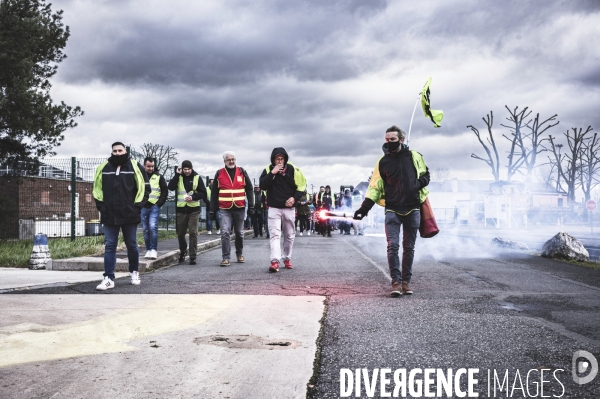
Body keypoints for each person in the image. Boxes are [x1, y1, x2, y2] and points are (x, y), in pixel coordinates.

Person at [354, 125, 430, 297]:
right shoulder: (382, 162)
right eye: (386, 140)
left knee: (409, 248)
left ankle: (406, 282)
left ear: (401, 140)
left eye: (392, 140)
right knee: (393, 246)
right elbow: (374, 188)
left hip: (413, 208)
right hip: (392, 209)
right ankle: (395, 282)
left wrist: (416, 185)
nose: (388, 143)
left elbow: (426, 175)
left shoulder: (415, 156)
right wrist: (363, 209)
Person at [93, 142, 150, 290]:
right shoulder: (103, 167)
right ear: (112, 152)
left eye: (120, 150)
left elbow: (145, 188)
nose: (117, 153)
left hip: (129, 213)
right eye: (115, 150)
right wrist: (102, 207)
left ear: (125, 151)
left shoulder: (135, 166)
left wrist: (136, 207)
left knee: (131, 245)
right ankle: (108, 278)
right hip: (109, 214)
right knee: (110, 245)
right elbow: (97, 189)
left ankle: (134, 272)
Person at [259, 147, 306, 272]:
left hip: (289, 208)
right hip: (274, 207)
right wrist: (272, 173)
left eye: (282, 158)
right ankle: (275, 261)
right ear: (273, 160)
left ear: (285, 159)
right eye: (277, 159)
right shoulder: (268, 170)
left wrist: (294, 199)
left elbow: (302, 186)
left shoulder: (293, 169)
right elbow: (262, 185)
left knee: (289, 235)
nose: (280, 161)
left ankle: (287, 258)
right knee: (275, 234)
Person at [210, 151, 253, 267]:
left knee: (239, 233)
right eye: (229, 159)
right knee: (225, 232)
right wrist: (212, 210)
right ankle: (226, 257)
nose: (231, 161)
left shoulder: (242, 172)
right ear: (224, 161)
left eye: (233, 159)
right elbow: (214, 193)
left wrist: (251, 206)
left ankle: (239, 254)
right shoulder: (219, 173)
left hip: (239, 207)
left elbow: (249, 188)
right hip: (225, 208)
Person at [167, 160, 207, 265]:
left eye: (189, 169)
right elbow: (170, 187)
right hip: (181, 209)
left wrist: (193, 197)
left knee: (193, 232)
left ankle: (193, 256)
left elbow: (203, 193)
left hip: (194, 209)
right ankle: (183, 251)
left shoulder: (197, 177)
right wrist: (177, 174)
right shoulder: (179, 177)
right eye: (185, 169)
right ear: (182, 169)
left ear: (191, 168)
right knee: (180, 233)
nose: (187, 171)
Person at [141, 157, 168, 259]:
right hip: (143, 206)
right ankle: (148, 250)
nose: (151, 168)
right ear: (144, 166)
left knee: (152, 227)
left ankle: (153, 250)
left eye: (152, 166)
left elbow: (165, 191)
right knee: (145, 229)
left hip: (154, 206)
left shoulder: (159, 177)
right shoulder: (140, 177)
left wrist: (159, 203)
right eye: (148, 166)